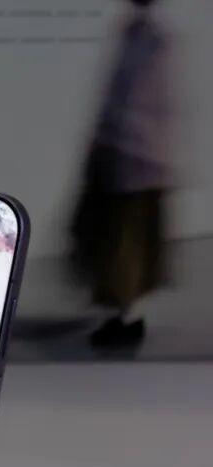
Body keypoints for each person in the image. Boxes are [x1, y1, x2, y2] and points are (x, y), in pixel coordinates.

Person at [71, 0, 173, 348]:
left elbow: (140, 101)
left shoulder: (152, 40)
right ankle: (123, 316)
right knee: (118, 241)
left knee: (125, 244)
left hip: (135, 157)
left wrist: (116, 142)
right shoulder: (136, 34)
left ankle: (126, 320)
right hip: (130, 155)